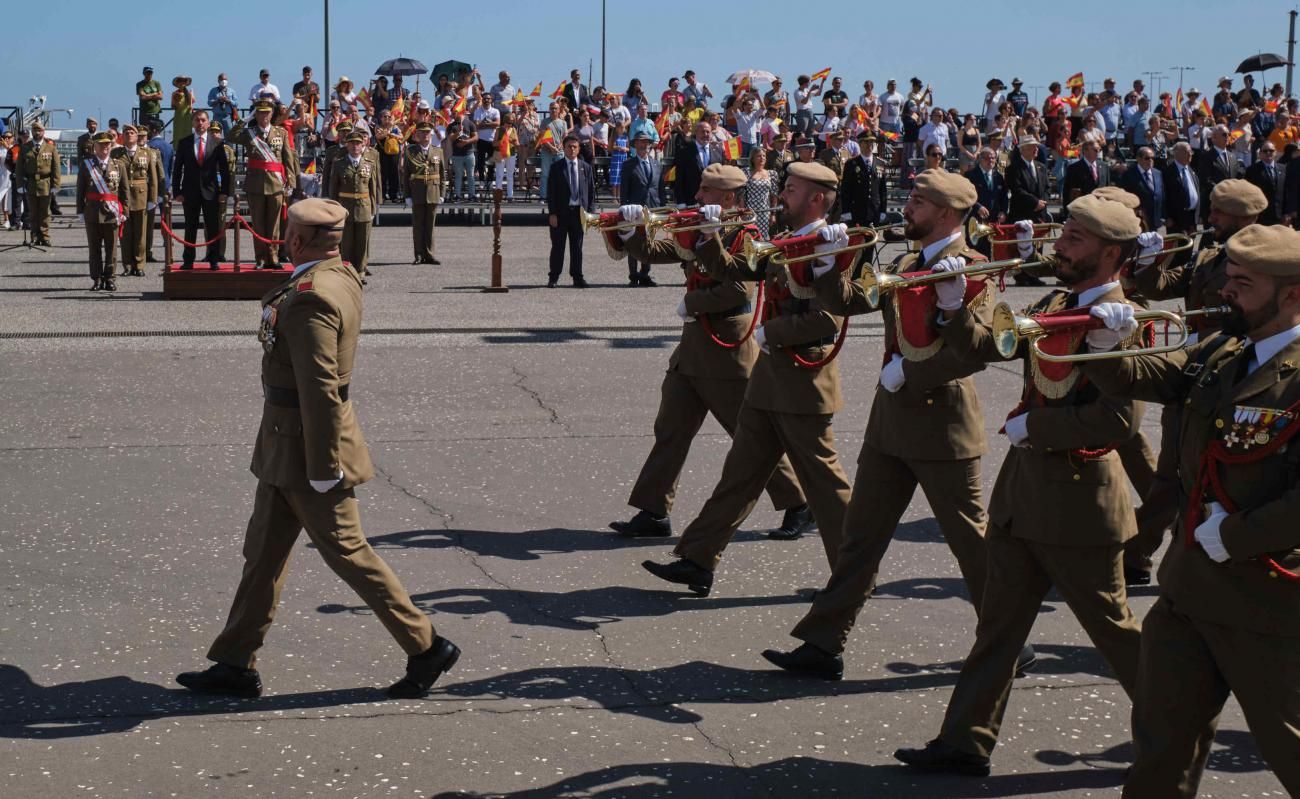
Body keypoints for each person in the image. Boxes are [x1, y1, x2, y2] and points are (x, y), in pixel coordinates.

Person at [895, 194, 1146, 776]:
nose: (1059, 246)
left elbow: (1118, 422)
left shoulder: (1121, 321)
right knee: (999, 630)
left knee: (1116, 636)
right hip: (1023, 497)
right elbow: (991, 347)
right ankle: (964, 742)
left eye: (1075, 240)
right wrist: (954, 305)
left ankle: (1174, 731)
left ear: (1111, 254)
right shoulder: (1059, 299)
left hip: (1080, 505)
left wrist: (1038, 425)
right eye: (1064, 235)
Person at [174, 197, 460, 700]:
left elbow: (320, 387)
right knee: (261, 555)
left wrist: (325, 464)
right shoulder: (339, 275)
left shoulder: (310, 296)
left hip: (309, 451)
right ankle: (235, 662)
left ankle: (426, 646)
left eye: (288, 231)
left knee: (350, 554)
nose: (283, 237)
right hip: (285, 448)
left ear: (297, 240)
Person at [763, 168, 1035, 682]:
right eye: (910, 198)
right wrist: (825, 264)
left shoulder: (975, 270)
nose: (907, 208)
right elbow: (849, 302)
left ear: (947, 214)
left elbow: (975, 355)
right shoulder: (907, 261)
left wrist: (910, 369)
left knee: (972, 544)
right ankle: (823, 643)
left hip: (941, 425)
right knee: (859, 541)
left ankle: (1009, 643)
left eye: (918, 201)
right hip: (890, 423)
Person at [1076, 223, 1300, 798]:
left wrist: (1243, 535)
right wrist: (1107, 344)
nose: (1226, 290)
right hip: (1187, 592)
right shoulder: (1224, 350)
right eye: (1229, 277)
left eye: (1244, 284)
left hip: (1266, 603)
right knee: (1160, 750)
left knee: (1290, 748)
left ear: (1293, 295)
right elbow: (1153, 376)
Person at [640, 162, 853, 597]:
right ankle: (698, 559)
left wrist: (768, 332)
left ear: (816, 199)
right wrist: (706, 235)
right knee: (738, 477)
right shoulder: (784, 239)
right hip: (769, 379)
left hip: (803, 382)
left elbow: (829, 316)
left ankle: (854, 576)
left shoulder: (833, 245)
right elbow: (739, 272)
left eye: (791, 190)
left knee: (828, 490)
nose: (781, 196)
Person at [608, 163, 814, 540]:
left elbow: (740, 290)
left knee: (750, 437)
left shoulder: (747, 235)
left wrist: (695, 302)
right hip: (692, 351)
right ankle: (653, 510)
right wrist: (629, 230)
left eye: (706, 191)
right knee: (670, 429)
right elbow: (659, 250)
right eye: (700, 189)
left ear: (728, 198)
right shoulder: (698, 224)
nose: (698, 196)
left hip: (726, 350)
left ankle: (800, 502)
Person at [229, 100, 297, 269]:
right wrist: (245, 119)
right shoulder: (249, 133)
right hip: (255, 184)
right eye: (260, 112)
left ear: (272, 114)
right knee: (258, 224)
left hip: (276, 184)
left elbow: (288, 158)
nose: (264, 116)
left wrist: (291, 182)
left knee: (274, 224)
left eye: (267, 112)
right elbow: (230, 136)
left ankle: (273, 257)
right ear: (256, 114)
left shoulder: (280, 133)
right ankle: (260, 258)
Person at [172, 109, 230, 269]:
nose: (200, 123)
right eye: (197, 120)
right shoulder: (184, 143)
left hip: (211, 192)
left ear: (208, 123)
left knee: (212, 227)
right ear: (192, 123)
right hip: (189, 192)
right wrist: (176, 191)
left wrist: (224, 192)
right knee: (190, 226)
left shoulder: (217, 143)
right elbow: (177, 169)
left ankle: (213, 259)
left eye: (203, 120)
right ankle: (188, 260)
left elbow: (224, 170)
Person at [75, 131, 130, 292]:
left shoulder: (118, 165)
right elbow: (80, 190)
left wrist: (125, 211)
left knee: (111, 248)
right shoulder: (86, 165)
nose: (105, 147)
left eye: (108, 144)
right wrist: (80, 211)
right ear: (95, 147)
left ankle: (110, 278)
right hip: (92, 212)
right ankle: (97, 278)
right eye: (101, 144)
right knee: (94, 248)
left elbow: (124, 191)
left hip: (112, 213)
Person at [545, 134, 595, 288]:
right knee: (558, 247)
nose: (572, 149)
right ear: (564, 148)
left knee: (577, 248)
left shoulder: (585, 167)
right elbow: (551, 192)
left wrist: (590, 213)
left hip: (579, 213)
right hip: (560, 214)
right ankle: (553, 277)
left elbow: (591, 192)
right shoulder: (556, 167)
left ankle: (577, 277)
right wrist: (552, 213)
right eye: (569, 146)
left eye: (575, 147)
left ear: (579, 149)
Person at [328, 131, 380, 277]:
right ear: (347, 145)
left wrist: (374, 208)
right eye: (352, 143)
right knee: (346, 242)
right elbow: (334, 188)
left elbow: (372, 187)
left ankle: (361, 270)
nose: (355, 146)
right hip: (345, 206)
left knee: (363, 242)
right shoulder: (339, 164)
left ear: (363, 144)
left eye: (358, 143)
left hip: (364, 205)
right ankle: (347, 270)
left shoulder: (369, 164)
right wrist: (334, 209)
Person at [110, 124, 158, 277]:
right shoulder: (116, 153)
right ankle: (128, 265)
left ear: (137, 137)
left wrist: (153, 198)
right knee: (125, 234)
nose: (129, 134)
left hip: (141, 196)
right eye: (126, 132)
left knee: (141, 234)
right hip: (122, 197)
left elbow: (153, 178)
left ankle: (139, 264)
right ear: (122, 136)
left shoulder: (147, 153)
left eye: (132, 132)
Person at [403, 122, 444, 266]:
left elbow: (442, 174)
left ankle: (430, 254)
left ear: (431, 134)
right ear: (417, 135)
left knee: (430, 226)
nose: (425, 135)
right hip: (417, 192)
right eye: (422, 132)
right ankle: (419, 255)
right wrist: (407, 195)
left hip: (433, 191)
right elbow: (406, 174)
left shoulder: (438, 151)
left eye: (428, 132)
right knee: (418, 226)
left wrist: (442, 193)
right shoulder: (410, 151)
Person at [15, 121, 61, 246]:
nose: (37, 133)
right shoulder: (25, 148)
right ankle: (34, 236)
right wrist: (19, 185)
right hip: (30, 184)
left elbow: (56, 168)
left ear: (43, 132)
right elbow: (19, 168)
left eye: (39, 130)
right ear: (32, 132)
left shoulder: (51, 148)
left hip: (46, 183)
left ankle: (45, 236)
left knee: (45, 212)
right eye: (35, 130)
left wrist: (56, 185)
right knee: (33, 212)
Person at [674, 121, 723, 206]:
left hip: (713, 202)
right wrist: (681, 202)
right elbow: (679, 179)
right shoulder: (684, 152)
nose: (705, 134)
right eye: (702, 131)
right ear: (696, 133)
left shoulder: (718, 152)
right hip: (691, 201)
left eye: (708, 132)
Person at [1121, 147, 1165, 232]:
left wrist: (1164, 215)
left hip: (1155, 220)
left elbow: (1162, 194)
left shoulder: (1158, 173)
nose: (1150, 160)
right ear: (1138, 159)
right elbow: (1126, 197)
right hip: (1139, 220)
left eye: (1152, 158)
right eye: (1147, 158)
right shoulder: (1129, 175)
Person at [1164, 141, 1203, 235]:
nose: (1190, 154)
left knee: (1190, 246)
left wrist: (1199, 214)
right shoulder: (1168, 172)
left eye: (1191, 151)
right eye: (1187, 151)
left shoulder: (1191, 170)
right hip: (1175, 219)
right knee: (1178, 247)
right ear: (1176, 153)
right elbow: (1164, 195)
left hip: (1192, 218)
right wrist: (1166, 217)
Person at [1061, 139, 1111, 206]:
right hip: (1083, 208)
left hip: (1101, 208)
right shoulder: (1074, 168)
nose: (1098, 152)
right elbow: (1067, 192)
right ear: (1085, 151)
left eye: (1099, 150)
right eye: (1095, 150)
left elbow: (1107, 189)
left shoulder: (1104, 167)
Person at [1245, 142, 1285, 225]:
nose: (1268, 153)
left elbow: (1287, 191)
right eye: (1265, 151)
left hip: (1280, 216)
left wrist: (1288, 213)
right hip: (1261, 216)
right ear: (1260, 153)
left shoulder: (1284, 169)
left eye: (1271, 150)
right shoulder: (1252, 170)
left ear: (1275, 152)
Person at [742, 147, 777, 238]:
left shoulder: (772, 174)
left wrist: (773, 214)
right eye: (758, 156)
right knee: (750, 237)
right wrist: (743, 213)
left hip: (765, 213)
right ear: (752, 159)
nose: (762, 158)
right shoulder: (746, 172)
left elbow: (774, 196)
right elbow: (741, 195)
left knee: (764, 238)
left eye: (764, 156)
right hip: (750, 212)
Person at [472, 94, 501, 183]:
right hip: (481, 140)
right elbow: (476, 125)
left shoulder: (495, 111)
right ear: (482, 100)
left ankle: (490, 181)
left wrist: (484, 124)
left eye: (488, 99)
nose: (486, 100)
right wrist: (490, 124)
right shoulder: (478, 110)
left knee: (491, 162)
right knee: (480, 162)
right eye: (485, 99)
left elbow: (497, 124)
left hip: (492, 140)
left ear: (491, 100)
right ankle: (481, 180)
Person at [493, 110, 520, 201]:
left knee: (510, 175)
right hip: (500, 153)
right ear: (504, 122)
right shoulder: (499, 130)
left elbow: (517, 144)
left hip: (511, 153)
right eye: (508, 123)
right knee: (499, 174)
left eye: (512, 123)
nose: (510, 125)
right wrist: (503, 141)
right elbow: (494, 144)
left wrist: (515, 142)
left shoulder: (514, 130)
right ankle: (498, 195)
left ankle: (510, 195)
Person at [171, 76, 195, 149]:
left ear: (186, 83)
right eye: (180, 81)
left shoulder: (189, 93)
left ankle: (188, 150)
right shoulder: (174, 93)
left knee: (187, 134)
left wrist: (191, 97)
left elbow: (192, 102)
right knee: (178, 134)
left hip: (187, 116)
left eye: (184, 81)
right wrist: (176, 102)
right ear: (177, 83)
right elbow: (172, 106)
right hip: (178, 117)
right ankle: (177, 151)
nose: (182, 83)